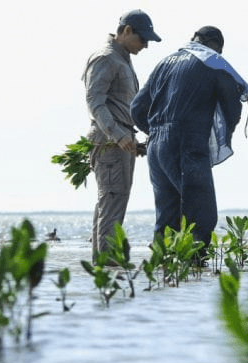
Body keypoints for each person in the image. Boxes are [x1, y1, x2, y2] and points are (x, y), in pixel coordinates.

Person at [131, 26, 248, 250]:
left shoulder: (165, 62)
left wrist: (154, 133)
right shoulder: (212, 61)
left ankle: (166, 274)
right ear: (215, 45)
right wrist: (227, 132)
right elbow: (233, 104)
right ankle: (198, 275)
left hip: (156, 149)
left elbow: (136, 108)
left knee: (167, 218)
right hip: (187, 143)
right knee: (200, 215)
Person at [83, 9, 161, 260]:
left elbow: (120, 105)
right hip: (109, 143)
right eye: (143, 39)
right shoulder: (106, 58)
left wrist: (132, 139)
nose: (146, 46)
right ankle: (108, 269)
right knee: (112, 204)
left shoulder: (123, 58)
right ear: (127, 31)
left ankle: (104, 267)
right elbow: (95, 102)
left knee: (111, 204)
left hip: (121, 142)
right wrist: (118, 135)